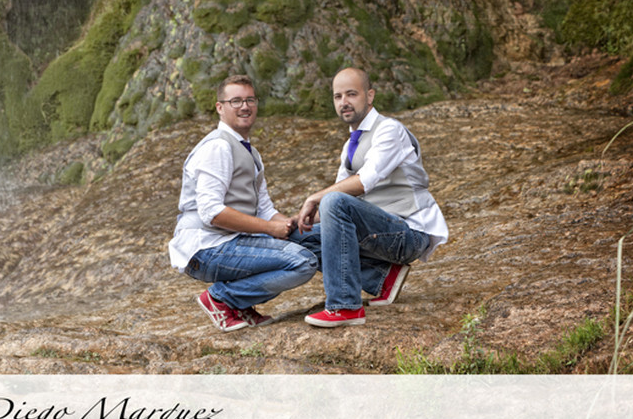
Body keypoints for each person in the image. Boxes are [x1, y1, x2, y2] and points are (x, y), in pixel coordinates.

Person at [293, 67, 448, 328]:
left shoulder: (390, 130)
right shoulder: (350, 145)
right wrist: (295, 221)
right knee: (296, 237)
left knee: (333, 200)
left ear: (370, 96)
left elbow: (365, 182)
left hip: (409, 232)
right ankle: (383, 277)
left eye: (351, 94)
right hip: (380, 234)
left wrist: (314, 197)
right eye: (337, 96)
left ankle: (345, 306)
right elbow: (337, 207)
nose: (344, 102)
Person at [169, 75, 318, 331]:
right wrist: (269, 229)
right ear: (220, 107)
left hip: (231, 242)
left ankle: (372, 284)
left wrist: (291, 223)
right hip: (206, 248)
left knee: (314, 237)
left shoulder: (250, 152)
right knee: (302, 261)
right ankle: (223, 298)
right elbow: (211, 213)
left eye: (249, 99)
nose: (244, 106)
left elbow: (265, 209)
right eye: (235, 101)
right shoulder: (217, 147)